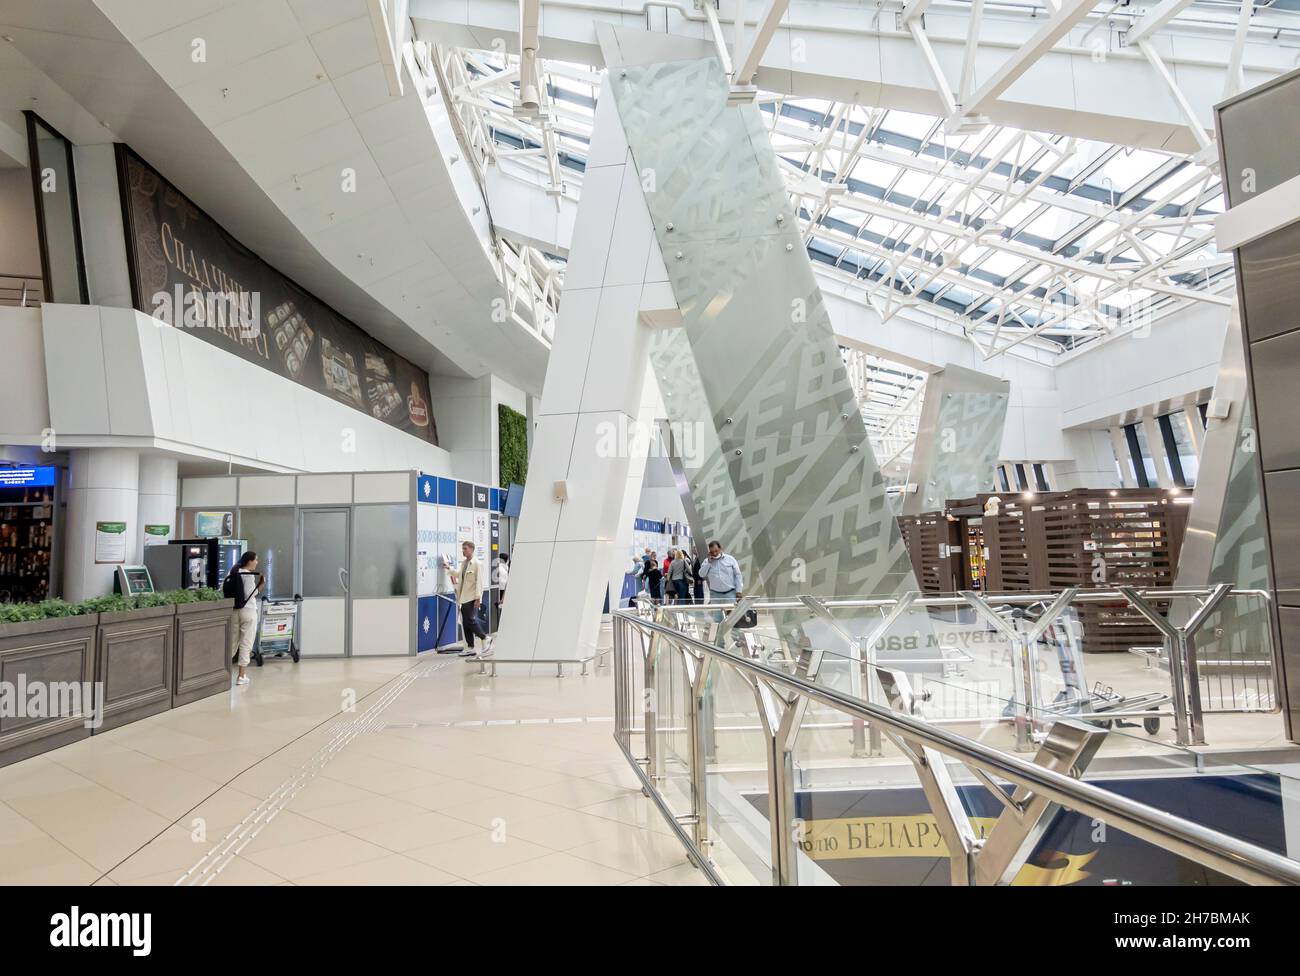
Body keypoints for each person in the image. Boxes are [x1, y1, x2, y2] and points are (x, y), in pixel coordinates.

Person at [224, 551, 263, 687]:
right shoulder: (248, 575)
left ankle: (223, 674)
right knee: (246, 643)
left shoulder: (233, 571)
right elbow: (250, 594)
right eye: (256, 560)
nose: (257, 562)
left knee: (232, 642)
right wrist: (261, 585)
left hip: (235, 611)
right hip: (248, 612)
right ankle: (241, 676)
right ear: (249, 561)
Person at [449, 540, 491, 659]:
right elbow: (458, 574)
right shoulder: (464, 563)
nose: (463, 551)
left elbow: (480, 583)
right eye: (462, 549)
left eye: (465, 548)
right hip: (463, 598)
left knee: (470, 621)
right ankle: (470, 648)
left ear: (472, 549)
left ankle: (485, 638)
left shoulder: (477, 564)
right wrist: (449, 569)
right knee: (465, 623)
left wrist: (478, 598)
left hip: (472, 597)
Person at [701, 540, 744, 605]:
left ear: (720, 548)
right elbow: (701, 574)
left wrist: (739, 591)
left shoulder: (730, 559)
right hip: (715, 594)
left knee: (731, 614)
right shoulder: (706, 561)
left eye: (716, 551)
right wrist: (709, 563)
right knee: (717, 615)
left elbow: (738, 575)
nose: (714, 554)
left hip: (730, 593)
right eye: (712, 552)